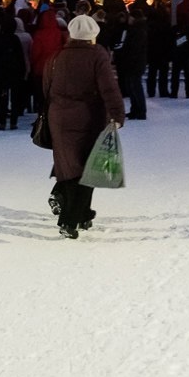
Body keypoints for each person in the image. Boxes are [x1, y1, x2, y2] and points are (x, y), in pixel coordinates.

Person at [44, 14, 125, 239]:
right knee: (89, 170)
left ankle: (82, 214)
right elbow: (109, 87)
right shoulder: (97, 55)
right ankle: (70, 220)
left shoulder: (58, 55)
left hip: (59, 118)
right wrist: (117, 114)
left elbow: (46, 87)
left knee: (69, 169)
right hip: (88, 118)